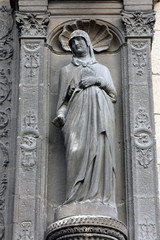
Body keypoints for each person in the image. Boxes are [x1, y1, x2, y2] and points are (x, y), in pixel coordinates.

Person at [53, 30, 117, 218]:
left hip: (100, 116)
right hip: (76, 116)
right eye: (72, 43)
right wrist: (60, 115)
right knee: (77, 152)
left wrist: (98, 81)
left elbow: (113, 94)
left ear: (88, 43)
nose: (76, 45)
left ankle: (99, 198)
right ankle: (74, 198)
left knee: (100, 151)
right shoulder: (66, 71)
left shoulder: (102, 69)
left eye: (80, 41)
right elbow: (62, 101)